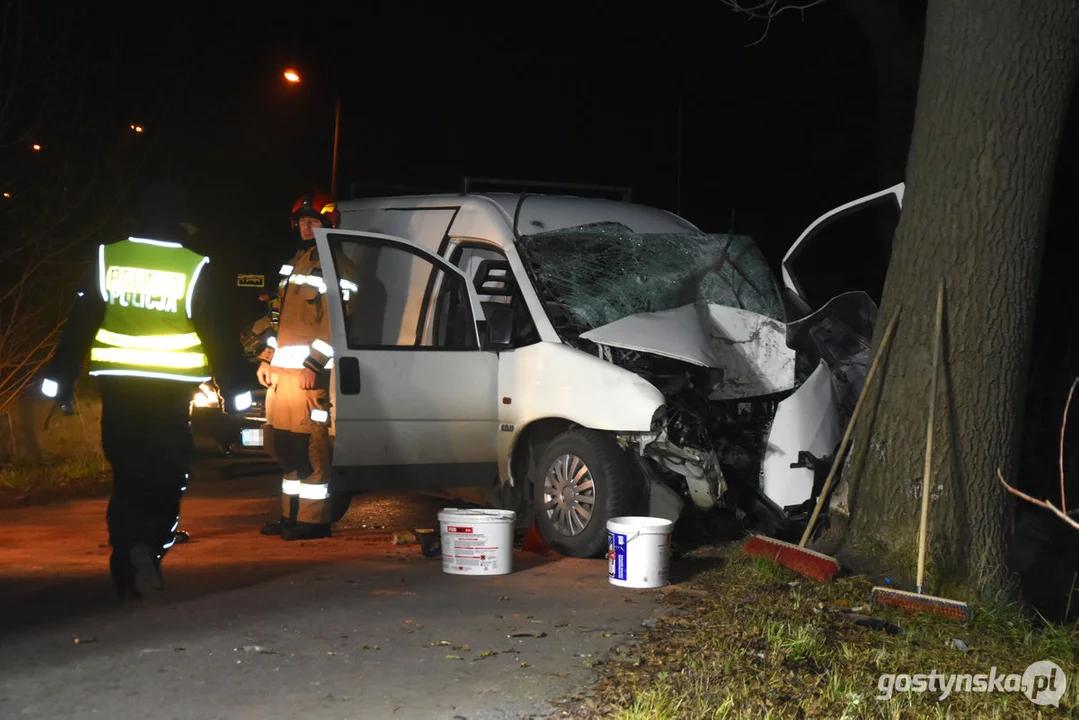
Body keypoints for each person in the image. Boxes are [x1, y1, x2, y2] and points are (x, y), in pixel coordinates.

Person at [40, 179, 253, 601]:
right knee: (167, 474)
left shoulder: (108, 257)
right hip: (169, 392)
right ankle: (150, 549)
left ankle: (124, 565)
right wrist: (235, 387)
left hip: (119, 388)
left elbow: (80, 321)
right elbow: (218, 332)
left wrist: (61, 378)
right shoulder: (193, 265)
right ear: (181, 219)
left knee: (128, 475)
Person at [256, 190, 356, 541]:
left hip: (311, 378)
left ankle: (314, 522)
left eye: (314, 221)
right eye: (302, 221)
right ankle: (290, 516)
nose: (306, 227)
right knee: (285, 449)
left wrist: (314, 363)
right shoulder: (295, 264)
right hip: (282, 379)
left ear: (328, 224)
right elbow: (277, 319)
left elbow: (338, 322)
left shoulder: (338, 266)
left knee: (313, 451)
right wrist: (266, 358)